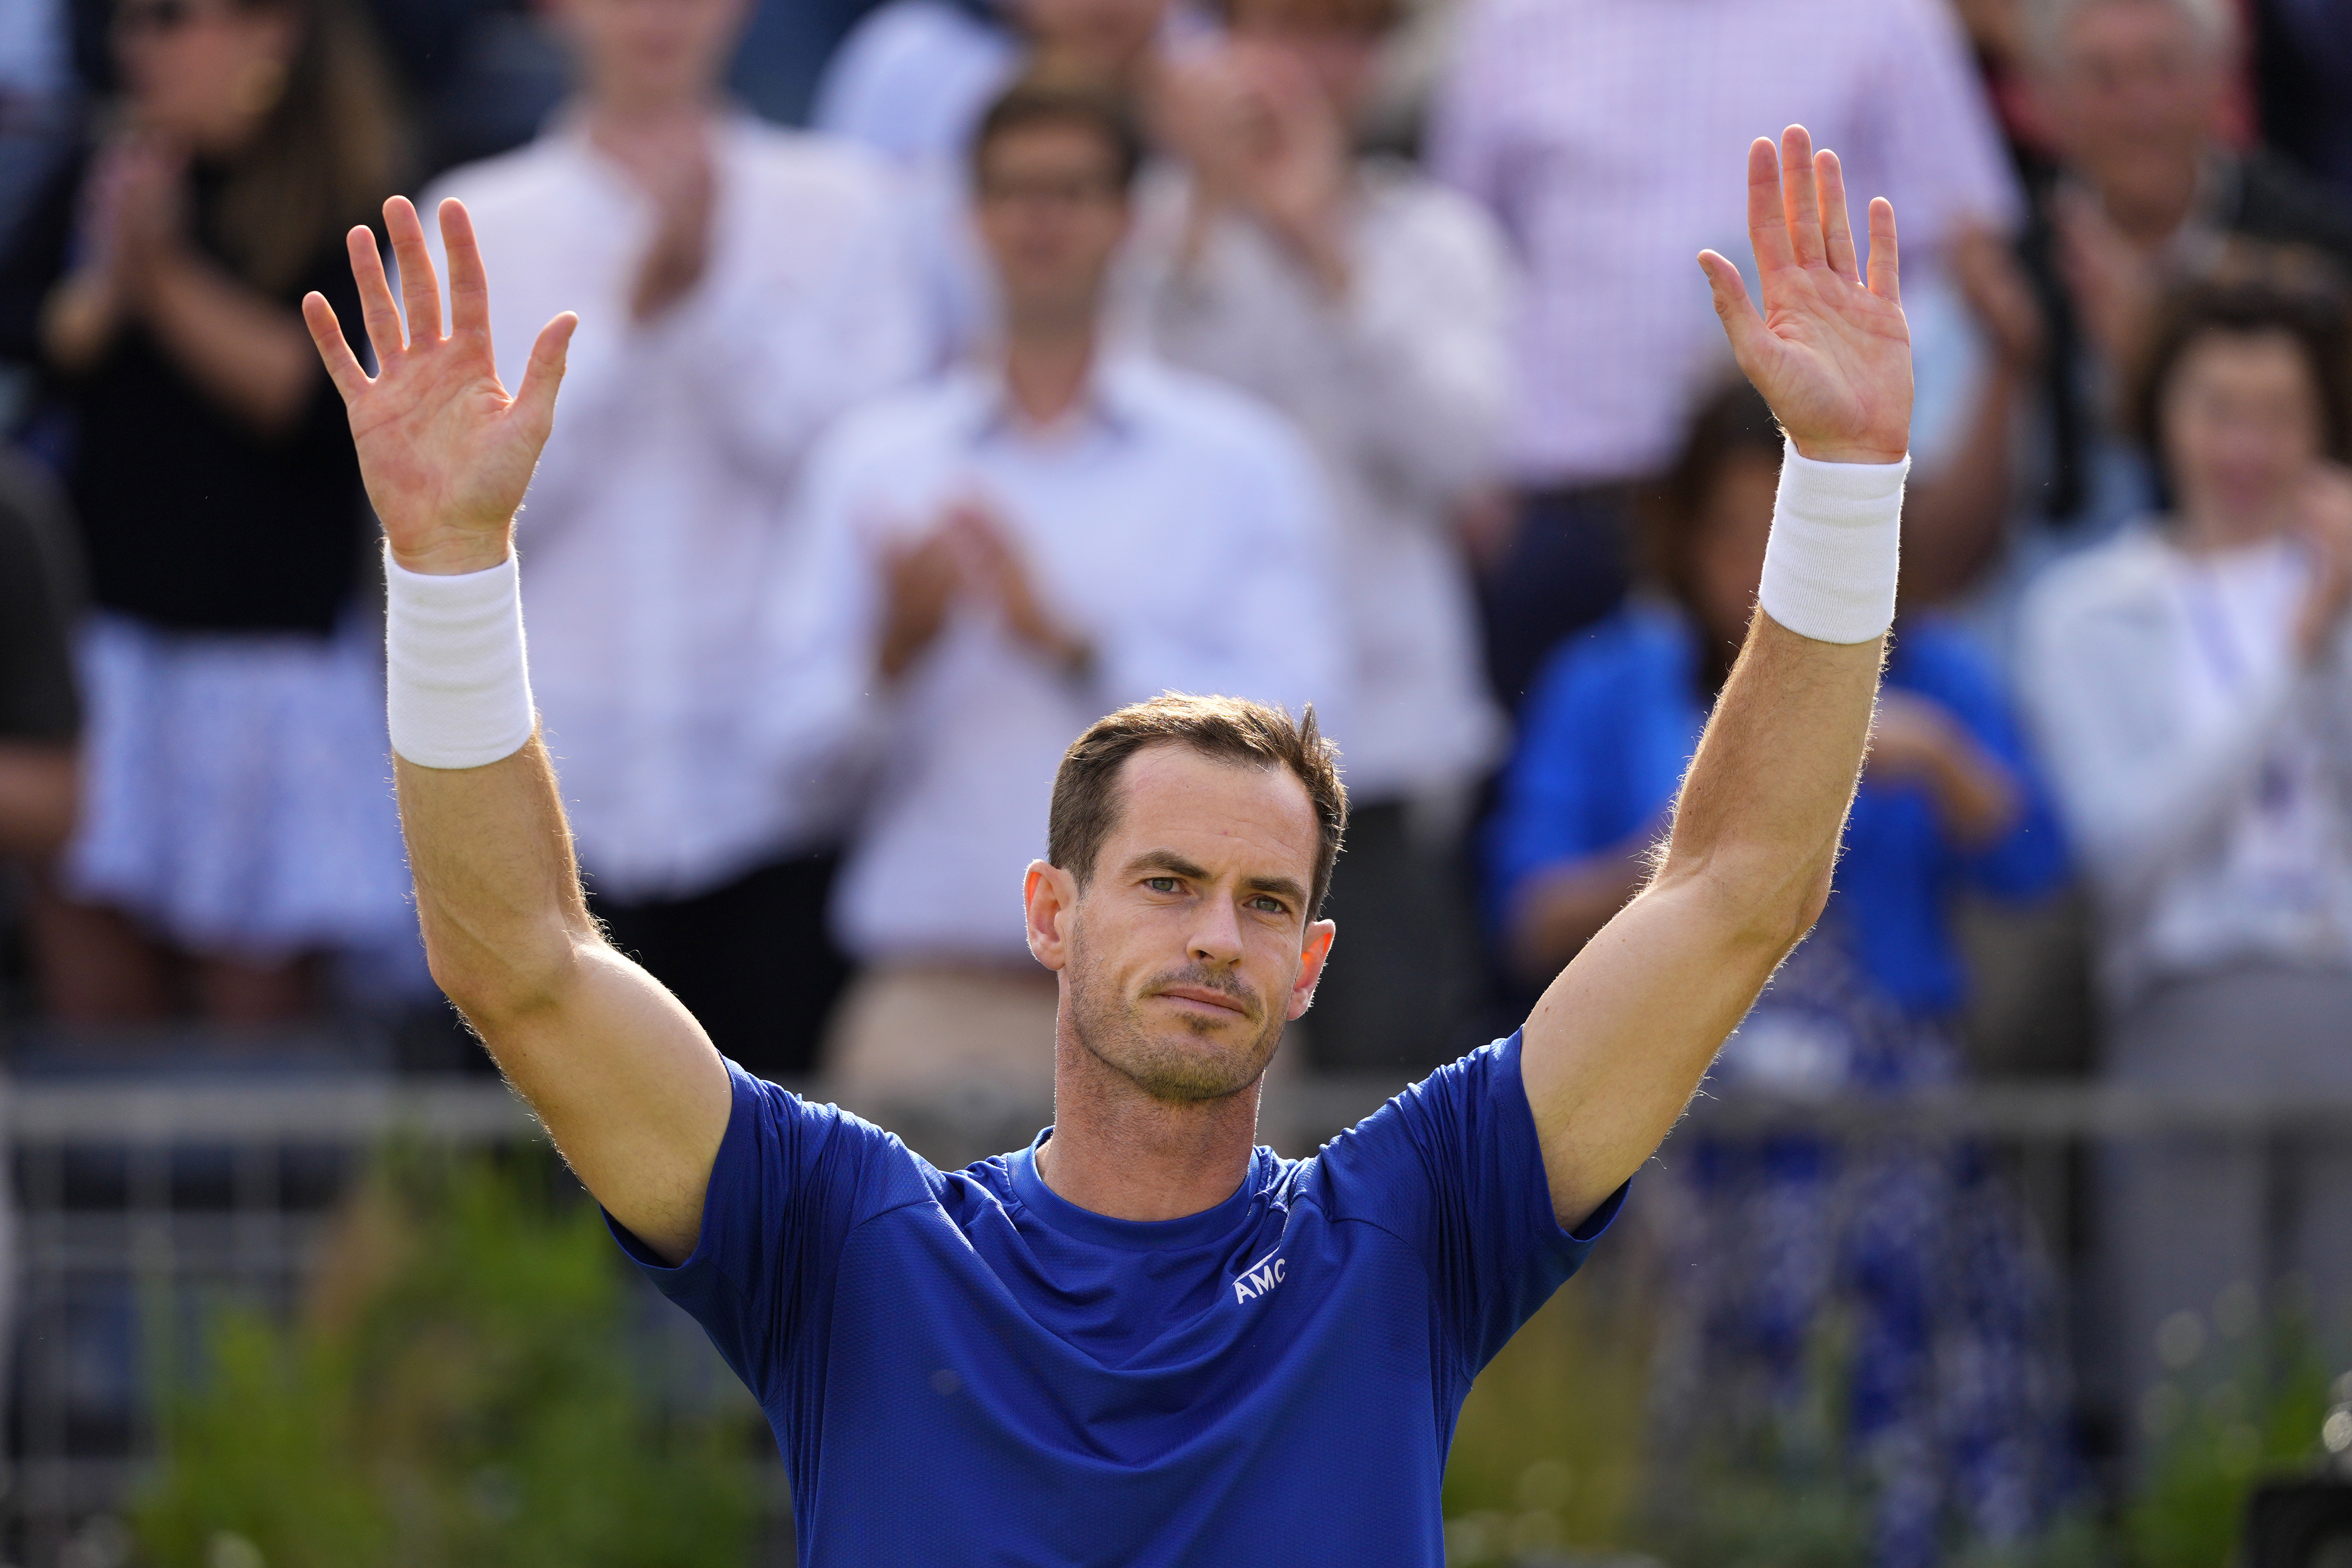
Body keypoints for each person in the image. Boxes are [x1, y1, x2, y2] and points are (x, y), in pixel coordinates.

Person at [306, 120, 1918, 1559]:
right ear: (1051, 911)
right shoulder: (847, 1240)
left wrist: (1845, 483)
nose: (1217, 931)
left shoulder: (1414, 1225)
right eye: (1166, 881)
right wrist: (449, 571)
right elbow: (522, 964)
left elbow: (1733, 893)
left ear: (1311, 964)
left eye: (1266, 900)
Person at [1489, 380, 2073, 1567]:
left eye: (1791, 536)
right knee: (1684, 1447)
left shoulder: (1931, 668)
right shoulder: (1609, 681)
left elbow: (2038, 865)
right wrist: (1710, 837)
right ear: (1680, 536)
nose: (1763, 574)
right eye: (1734, 535)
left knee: (1903, 1425)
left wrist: (1946, 765)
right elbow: (1529, 912)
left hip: (1891, 1151)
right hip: (1675, 1133)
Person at [785, 82, 1344, 1104]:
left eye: (1072, 191)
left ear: (1130, 217)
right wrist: (892, 656)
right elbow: (785, 766)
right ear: (970, 217)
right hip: (936, 999)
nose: (1039, 220)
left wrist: (1075, 644)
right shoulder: (873, 462)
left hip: (1192, 996)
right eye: (1013, 191)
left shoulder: (1240, 462)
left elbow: (1301, 736)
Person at [413, 0, 925, 1078]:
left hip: (778, 790)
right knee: (539, 1163)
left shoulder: (844, 203)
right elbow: (455, 506)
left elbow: (875, 481)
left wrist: (714, 315)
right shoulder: (476, 219)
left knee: (775, 1162)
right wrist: (638, 320)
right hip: (549, 787)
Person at [0, 0, 410, 1024]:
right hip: (110, 656)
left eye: (172, 19)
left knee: (253, 1041)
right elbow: (37, 346)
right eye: (130, 22)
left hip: (266, 672)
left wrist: (160, 274)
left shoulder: (350, 196)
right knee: (98, 1023)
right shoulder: (105, 173)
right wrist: (111, 266)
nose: (139, 47)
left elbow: (312, 403)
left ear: (273, 31)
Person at [1427, 0, 2020, 707]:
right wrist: (1469, 491)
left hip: (1799, 505)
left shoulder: (1884, 17)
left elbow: (1965, 264)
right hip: (1564, 510)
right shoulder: (1514, 19)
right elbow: (1451, 255)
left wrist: (1902, 492)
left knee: (1819, 764)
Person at [1124, 0, 1507, 1070]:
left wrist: (1316, 243)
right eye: (1286, 29)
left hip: (1380, 748)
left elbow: (1462, 454)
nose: (1310, 66)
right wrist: (1209, 204)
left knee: (1377, 1101)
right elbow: (1118, 431)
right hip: (1182, 743)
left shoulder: (1435, 236)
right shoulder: (1151, 228)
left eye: (1346, 34)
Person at [2017, 258, 2352, 1461]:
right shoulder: (2081, 608)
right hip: (2183, 1004)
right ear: (2159, 413)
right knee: (2193, 1403)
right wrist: (2294, 656)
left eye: (2279, 416)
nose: (2245, 448)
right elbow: (2125, 846)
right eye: (2218, 410)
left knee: (2342, 1412)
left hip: (2341, 1000)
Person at [2012, 0, 2352, 542]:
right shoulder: (2005, 265)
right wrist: (2009, 353)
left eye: (2165, 68)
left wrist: (2148, 356)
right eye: (2103, 78)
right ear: (2043, 98)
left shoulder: (2318, 250)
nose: (2139, 106)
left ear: (2222, 78)